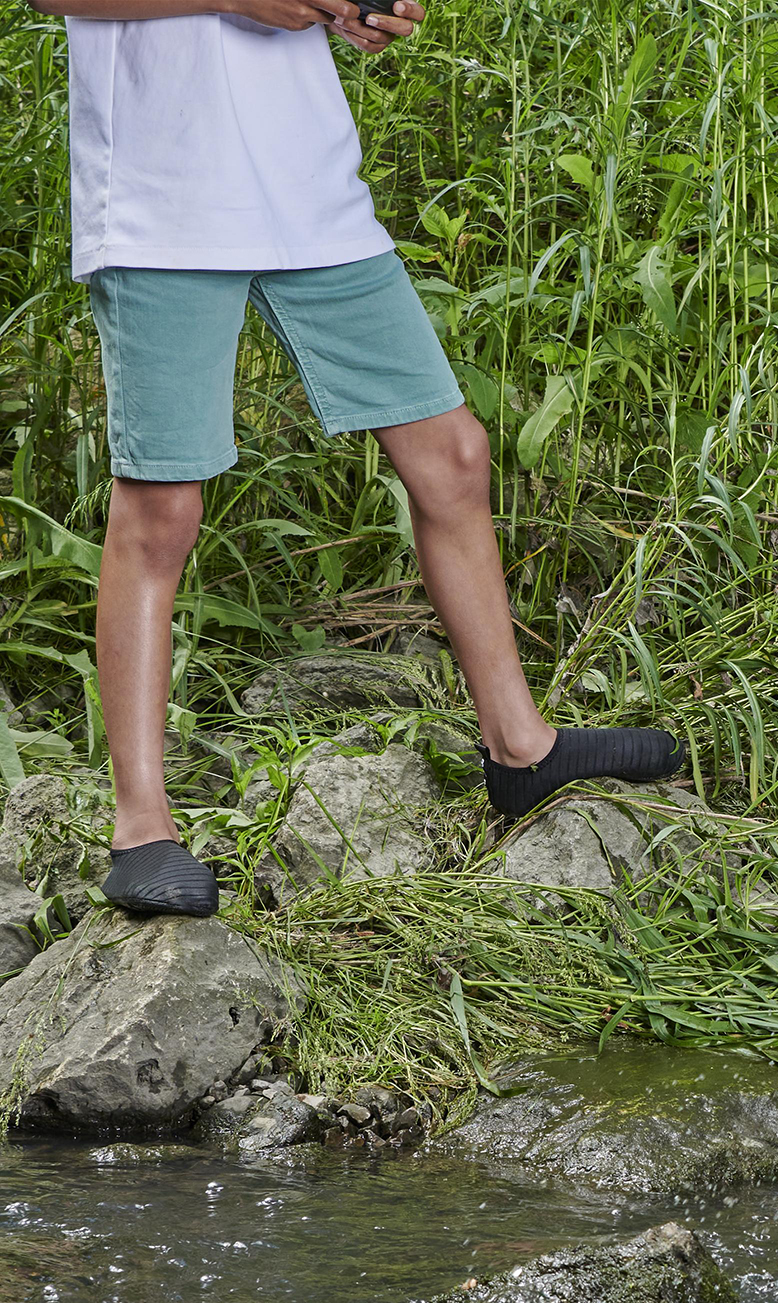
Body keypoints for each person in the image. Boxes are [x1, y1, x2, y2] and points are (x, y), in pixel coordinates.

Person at [31, 0, 682, 917]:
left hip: (309, 192)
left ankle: (522, 749)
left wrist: (345, 9)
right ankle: (140, 827)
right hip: (162, 201)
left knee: (452, 455)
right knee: (162, 508)